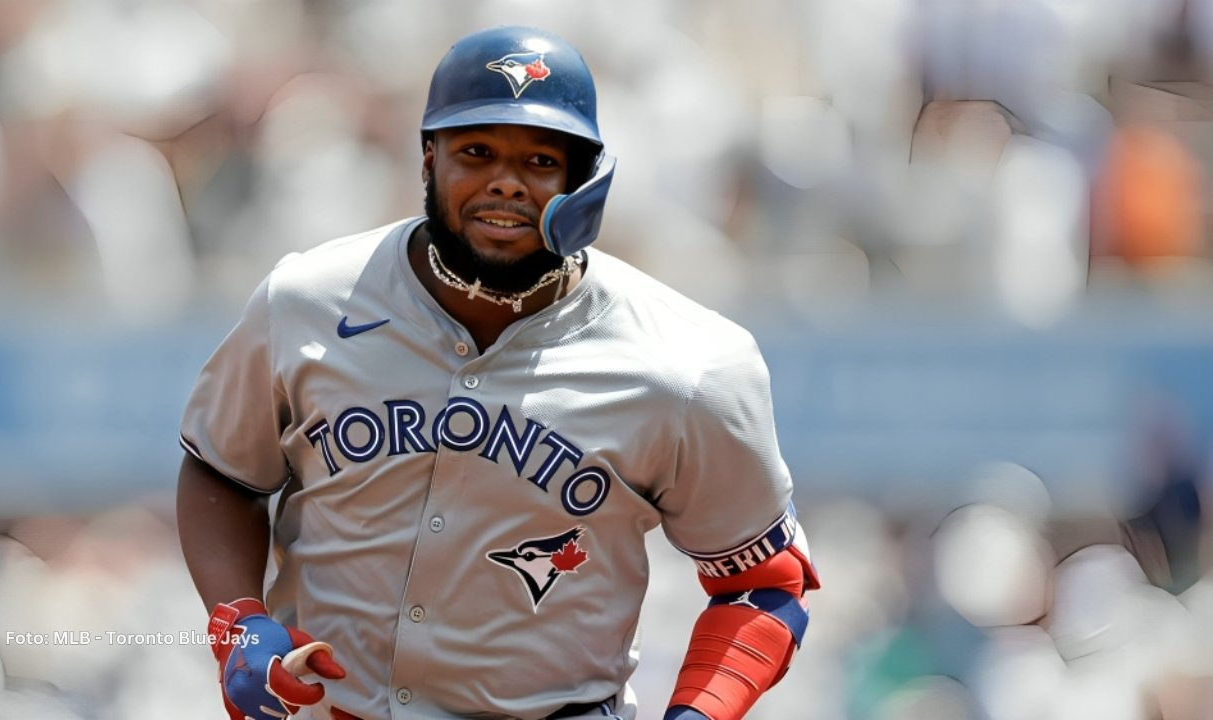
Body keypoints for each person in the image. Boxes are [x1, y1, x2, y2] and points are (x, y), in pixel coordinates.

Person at [175, 25, 819, 720]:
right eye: (476, 152)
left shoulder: (687, 364)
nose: (505, 181)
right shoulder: (306, 300)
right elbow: (223, 471)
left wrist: (697, 714)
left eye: (541, 160)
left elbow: (762, 588)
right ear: (428, 160)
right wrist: (239, 617)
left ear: (585, 180)